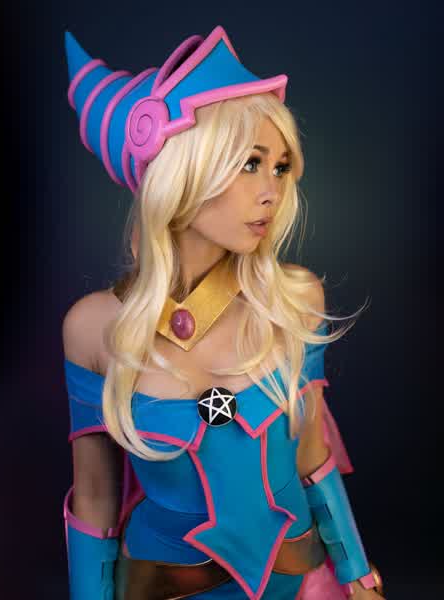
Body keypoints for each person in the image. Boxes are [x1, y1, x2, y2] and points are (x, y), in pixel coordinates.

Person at [61, 25, 385, 600]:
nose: (272, 192)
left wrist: (357, 574)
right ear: (181, 172)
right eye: (249, 163)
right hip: (162, 585)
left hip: (295, 581)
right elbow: (94, 498)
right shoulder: (92, 328)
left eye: (280, 167)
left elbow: (312, 456)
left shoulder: (295, 299)